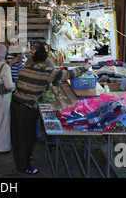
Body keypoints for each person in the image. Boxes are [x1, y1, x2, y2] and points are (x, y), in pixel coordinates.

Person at [11, 47, 90, 175]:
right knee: (27, 137)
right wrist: (85, 67)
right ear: (45, 61)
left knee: (18, 135)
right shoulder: (48, 72)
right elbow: (68, 75)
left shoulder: (23, 70)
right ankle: (24, 167)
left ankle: (22, 157)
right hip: (27, 109)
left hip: (15, 105)